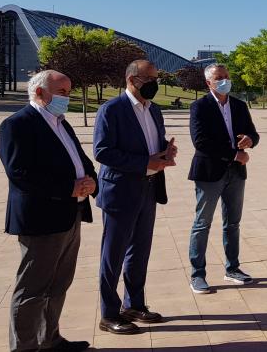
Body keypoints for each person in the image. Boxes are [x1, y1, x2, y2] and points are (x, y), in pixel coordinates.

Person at [0, 70, 95, 352]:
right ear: (40, 93)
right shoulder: (17, 125)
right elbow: (20, 174)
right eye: (62, 92)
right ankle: (24, 347)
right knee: (32, 289)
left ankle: (49, 339)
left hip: (70, 215)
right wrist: (68, 188)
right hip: (41, 219)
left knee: (58, 284)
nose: (67, 97)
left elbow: (82, 161)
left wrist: (90, 180)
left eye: (68, 91)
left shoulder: (62, 124)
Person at [94, 59, 177, 334]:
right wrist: (145, 162)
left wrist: (165, 152)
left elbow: (152, 143)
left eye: (156, 78)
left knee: (140, 251)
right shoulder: (112, 110)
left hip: (149, 189)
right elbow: (103, 152)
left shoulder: (154, 110)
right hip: (120, 191)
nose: (154, 83)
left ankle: (135, 304)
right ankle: (109, 314)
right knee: (113, 254)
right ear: (131, 80)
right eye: (149, 79)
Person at [188, 64, 261, 294]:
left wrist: (250, 140)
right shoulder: (199, 107)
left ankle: (233, 268)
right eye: (219, 78)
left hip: (236, 173)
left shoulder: (239, 105)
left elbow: (254, 133)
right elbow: (201, 142)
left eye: (227, 77)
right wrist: (234, 153)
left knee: (233, 223)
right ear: (208, 82)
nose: (225, 81)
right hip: (210, 173)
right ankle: (197, 275)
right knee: (203, 224)